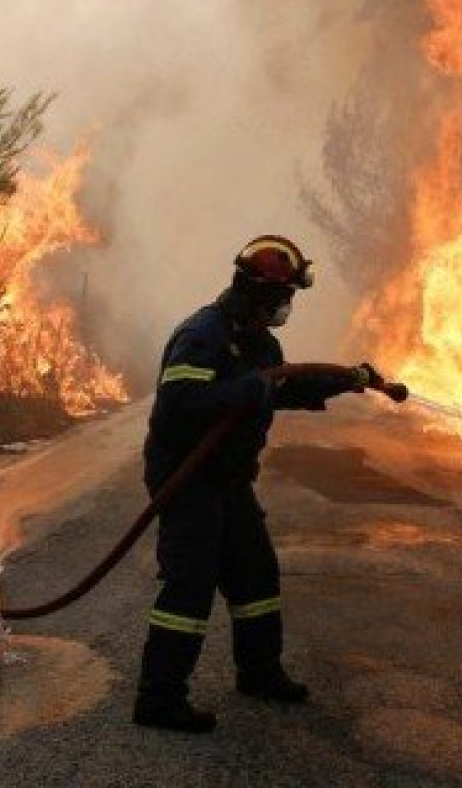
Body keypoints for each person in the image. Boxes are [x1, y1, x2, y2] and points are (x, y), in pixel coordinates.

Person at [133, 234, 376, 733]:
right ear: (250, 291)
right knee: (190, 585)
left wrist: (350, 379)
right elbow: (179, 404)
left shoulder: (261, 341)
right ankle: (158, 700)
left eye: (286, 298)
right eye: (277, 297)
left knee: (255, 576)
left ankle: (260, 672)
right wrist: (248, 388)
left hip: (230, 478)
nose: (284, 306)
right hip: (188, 477)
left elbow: (285, 384)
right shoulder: (203, 334)